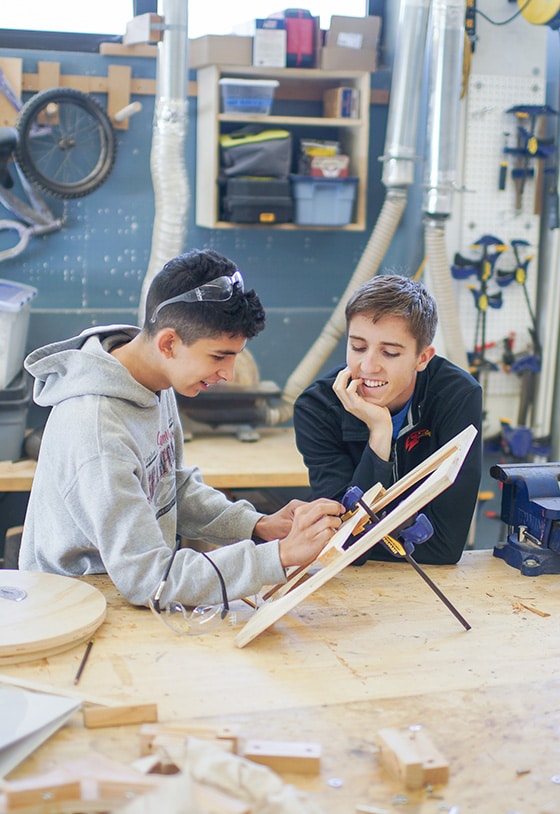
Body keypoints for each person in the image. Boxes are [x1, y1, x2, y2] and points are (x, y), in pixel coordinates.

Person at [19, 249, 343, 608]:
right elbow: (148, 579)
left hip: (120, 591)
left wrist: (257, 525)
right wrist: (278, 556)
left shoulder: (153, 379)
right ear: (169, 343)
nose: (228, 374)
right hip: (75, 605)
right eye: (219, 356)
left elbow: (170, 486)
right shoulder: (97, 430)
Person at [293, 273, 483, 566]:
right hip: (350, 587)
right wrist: (379, 433)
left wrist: (358, 538)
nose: (368, 366)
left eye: (390, 352)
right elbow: (345, 547)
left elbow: (446, 545)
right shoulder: (317, 407)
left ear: (423, 358)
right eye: (357, 347)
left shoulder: (457, 396)